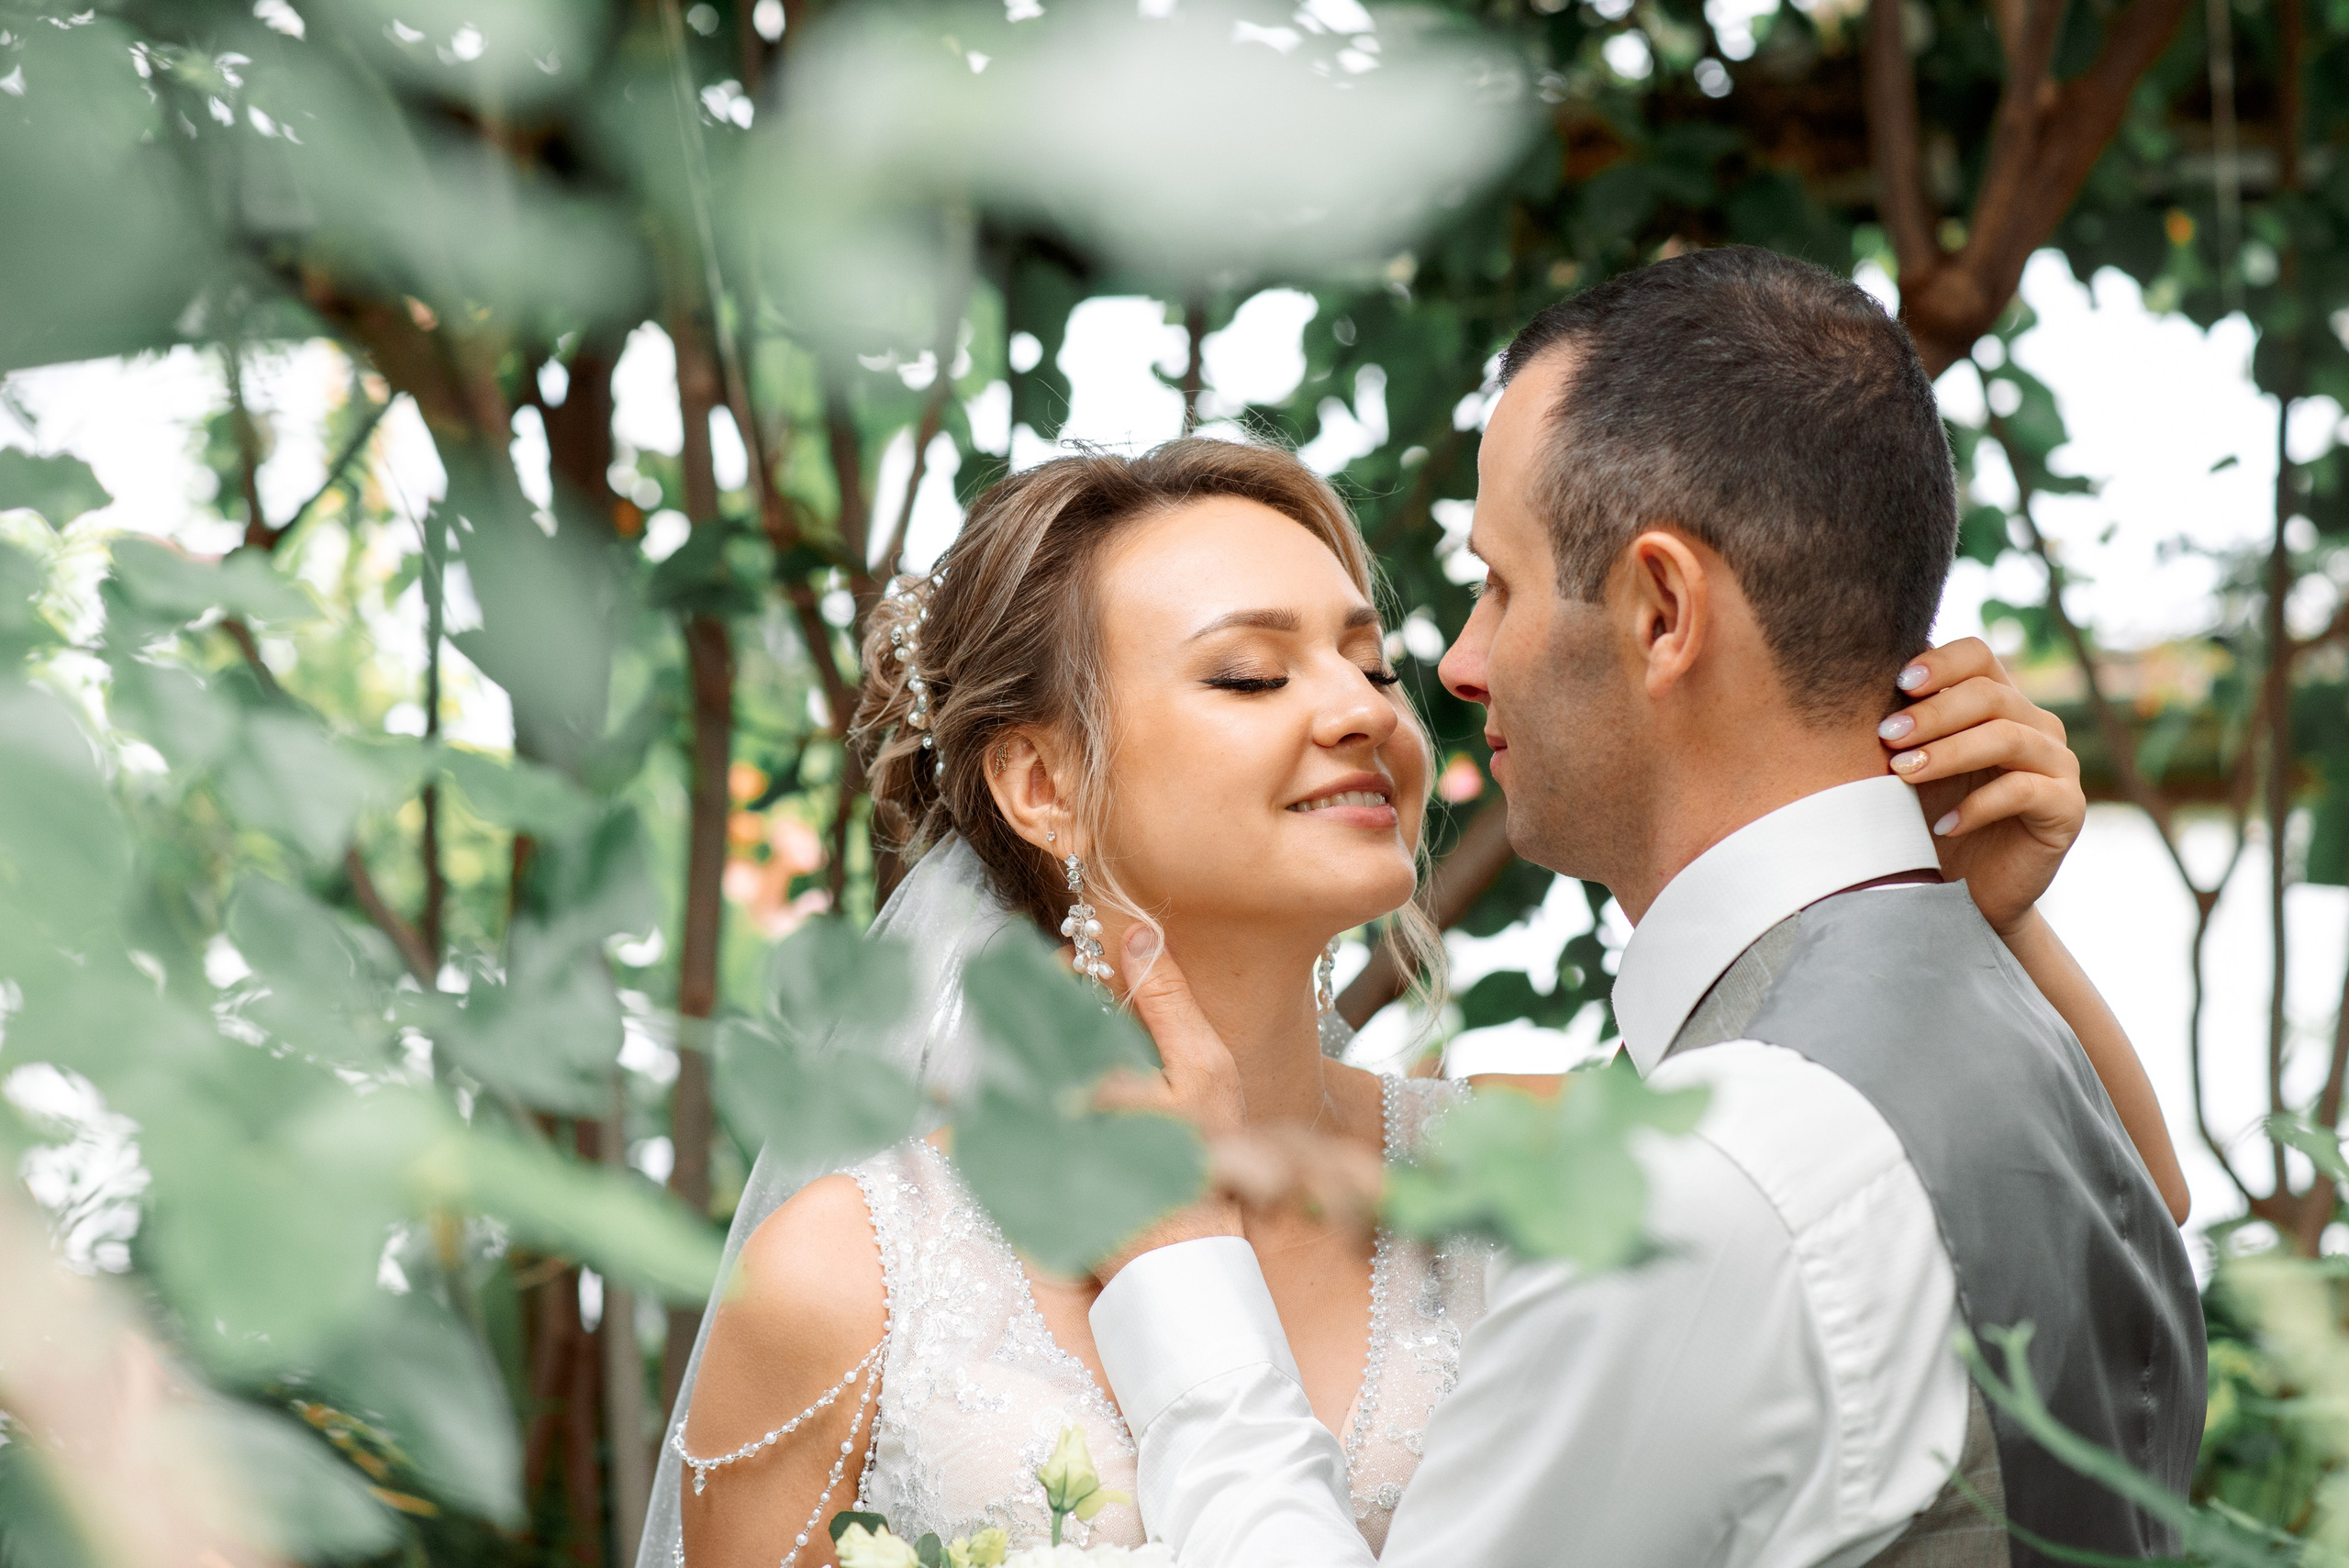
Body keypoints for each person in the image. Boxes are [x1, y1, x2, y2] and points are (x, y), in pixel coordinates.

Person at [647, 428, 2178, 1568]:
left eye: (1370, 663)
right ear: (1044, 782)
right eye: (1253, 676)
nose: (1361, 712)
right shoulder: (851, 1281)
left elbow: (2076, 1210)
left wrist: (1987, 923)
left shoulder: (1544, 1159)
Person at [1081, 248, 2205, 1567]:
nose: (1450, 666)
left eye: (1498, 585)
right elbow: (2142, 1218)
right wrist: (1983, 924)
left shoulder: (1702, 1187)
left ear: (1663, 610)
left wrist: (1185, 1285)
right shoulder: (1965, 1040)